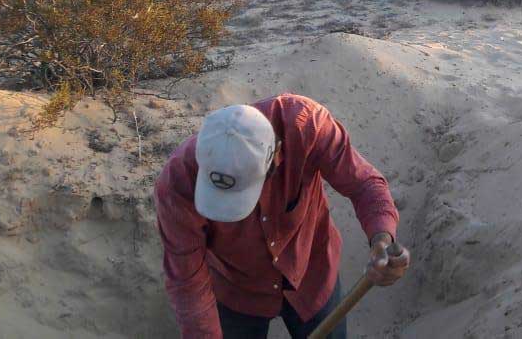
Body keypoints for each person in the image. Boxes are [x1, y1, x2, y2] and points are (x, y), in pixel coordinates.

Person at [155, 94, 409, 339]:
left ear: (275, 157)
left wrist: (381, 241)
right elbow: (187, 283)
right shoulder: (178, 183)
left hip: (312, 275)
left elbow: (364, 184)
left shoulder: (306, 125)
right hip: (235, 290)